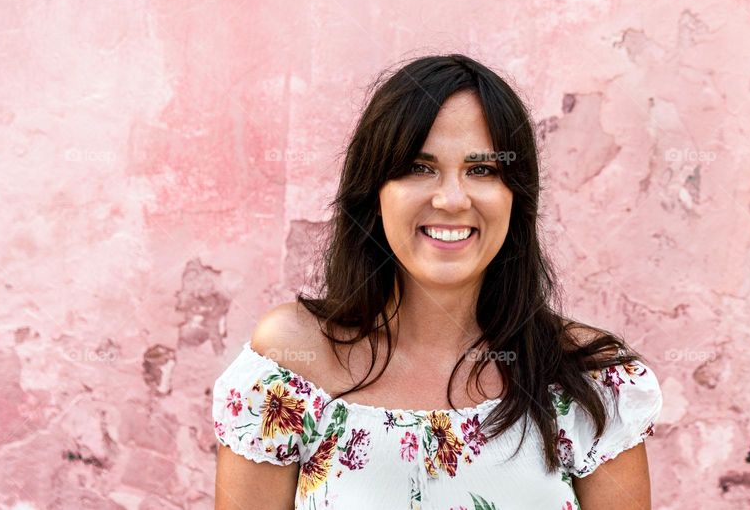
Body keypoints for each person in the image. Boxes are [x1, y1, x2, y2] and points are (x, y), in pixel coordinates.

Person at [212, 54, 663, 509]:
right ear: (374, 194)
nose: (451, 199)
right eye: (419, 167)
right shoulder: (291, 368)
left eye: (482, 170)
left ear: (516, 198)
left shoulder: (589, 384)